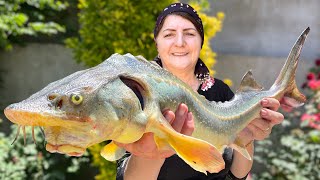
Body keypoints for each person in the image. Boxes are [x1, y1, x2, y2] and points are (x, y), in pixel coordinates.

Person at [116, 2, 284, 180]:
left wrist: (247, 138)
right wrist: (154, 152)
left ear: (201, 41)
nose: (179, 43)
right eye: (169, 34)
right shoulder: (137, 94)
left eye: (189, 34)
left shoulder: (220, 93)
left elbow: (239, 174)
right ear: (156, 42)